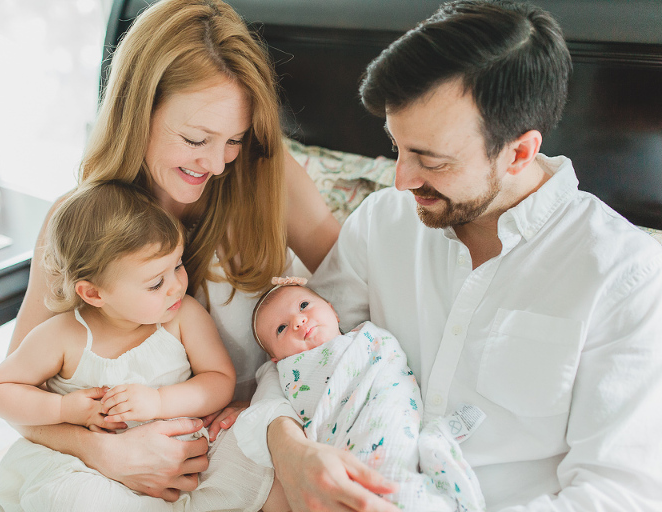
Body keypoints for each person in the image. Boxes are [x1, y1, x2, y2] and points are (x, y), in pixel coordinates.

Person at [257, 1, 662, 510]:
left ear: (518, 152)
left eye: (432, 161)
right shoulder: (384, 220)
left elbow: (620, 493)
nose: (401, 180)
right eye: (397, 147)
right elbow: (299, 358)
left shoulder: (626, 277)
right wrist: (286, 446)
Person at [0, 0, 340, 507]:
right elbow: (17, 396)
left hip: (247, 444)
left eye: (233, 140)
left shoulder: (269, 178)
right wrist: (104, 453)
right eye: (196, 138)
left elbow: (353, 301)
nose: (217, 163)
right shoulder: (83, 223)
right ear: (138, 110)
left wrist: (268, 410)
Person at [250, 276, 486, 512]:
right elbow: (269, 405)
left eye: (303, 306)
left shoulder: (370, 340)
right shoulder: (287, 373)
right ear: (277, 359)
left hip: (388, 421)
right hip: (341, 446)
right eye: (281, 328)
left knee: (396, 478)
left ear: (333, 312)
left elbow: (392, 376)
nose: (298, 321)